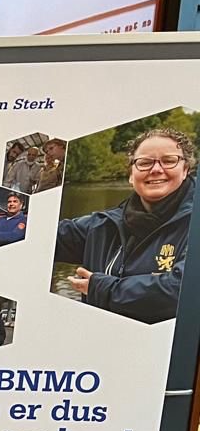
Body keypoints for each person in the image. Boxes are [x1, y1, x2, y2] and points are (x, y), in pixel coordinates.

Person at [55, 126, 194, 324]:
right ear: (131, 174)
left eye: (169, 161)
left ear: (185, 170)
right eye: (144, 163)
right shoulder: (105, 224)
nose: (156, 169)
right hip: (102, 343)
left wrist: (104, 290)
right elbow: (44, 237)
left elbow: (183, 290)